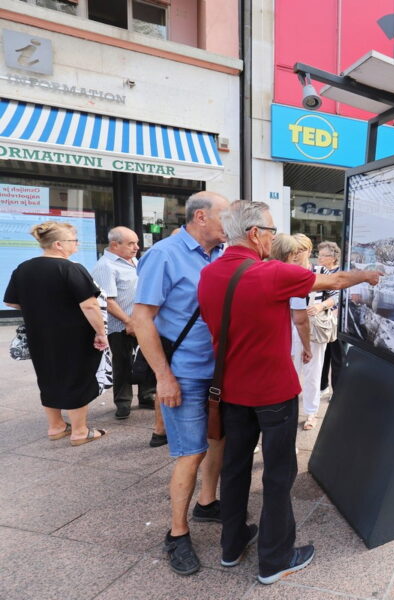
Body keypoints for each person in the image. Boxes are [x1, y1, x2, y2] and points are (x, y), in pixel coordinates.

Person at [197, 200, 381, 585]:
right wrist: (367, 274)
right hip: (273, 392)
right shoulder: (271, 273)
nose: (272, 238)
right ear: (253, 234)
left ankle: (231, 546)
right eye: (270, 231)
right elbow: (334, 281)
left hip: (230, 390)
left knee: (235, 468)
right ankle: (275, 558)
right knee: (279, 474)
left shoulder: (209, 274)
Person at [131, 191, 230, 576]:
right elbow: (142, 319)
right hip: (184, 373)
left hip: (218, 371)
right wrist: (164, 376)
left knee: (218, 440)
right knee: (191, 452)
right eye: (226, 218)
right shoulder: (164, 254)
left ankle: (207, 504)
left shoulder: (222, 255)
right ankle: (177, 532)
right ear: (201, 217)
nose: (231, 226)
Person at [4, 221, 109, 445]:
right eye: (74, 240)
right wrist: (101, 332)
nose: (77, 245)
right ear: (59, 244)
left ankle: (56, 427)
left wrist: (40, 308)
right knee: (78, 376)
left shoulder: (24, 268)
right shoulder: (70, 268)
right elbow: (89, 305)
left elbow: (12, 302)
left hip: (39, 333)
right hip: (73, 335)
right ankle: (80, 431)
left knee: (48, 376)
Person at [91, 227, 158, 421]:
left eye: (136, 242)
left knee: (146, 360)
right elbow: (108, 301)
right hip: (120, 325)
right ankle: (123, 403)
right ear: (114, 245)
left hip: (141, 322)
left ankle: (146, 396)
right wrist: (129, 322)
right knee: (123, 363)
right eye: (131, 243)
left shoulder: (133, 261)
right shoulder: (106, 266)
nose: (137, 247)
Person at [272, 233, 329, 430]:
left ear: (309, 250)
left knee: (314, 370)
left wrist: (322, 306)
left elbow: (337, 293)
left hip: (313, 325)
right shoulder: (284, 271)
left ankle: (312, 412)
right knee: (290, 370)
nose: (296, 255)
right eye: (293, 251)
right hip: (288, 326)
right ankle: (290, 410)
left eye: (300, 250)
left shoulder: (321, 270)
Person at [317, 241, 342, 399]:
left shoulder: (341, 273)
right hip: (321, 320)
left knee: (337, 356)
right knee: (322, 355)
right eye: (318, 255)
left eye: (323, 255)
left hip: (336, 320)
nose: (319, 258)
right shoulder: (320, 272)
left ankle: (337, 391)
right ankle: (322, 386)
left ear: (333, 257)